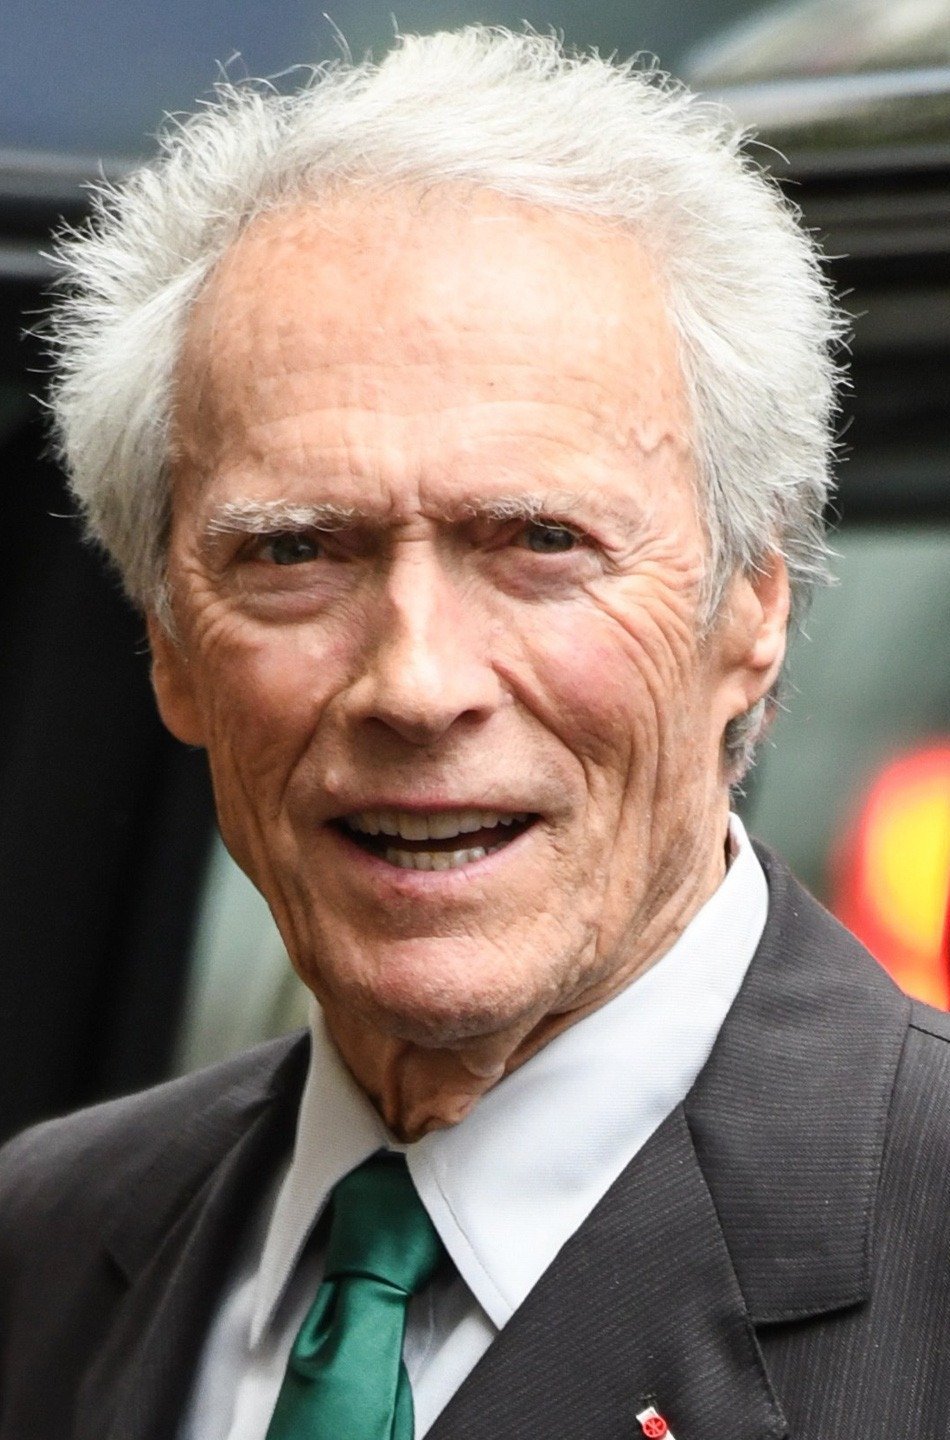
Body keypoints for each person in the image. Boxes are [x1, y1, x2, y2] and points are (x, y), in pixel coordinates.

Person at [2, 26, 950, 1440]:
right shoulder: (48, 1241)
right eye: (295, 551)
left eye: (539, 542)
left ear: (751, 605)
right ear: (169, 646)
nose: (416, 682)